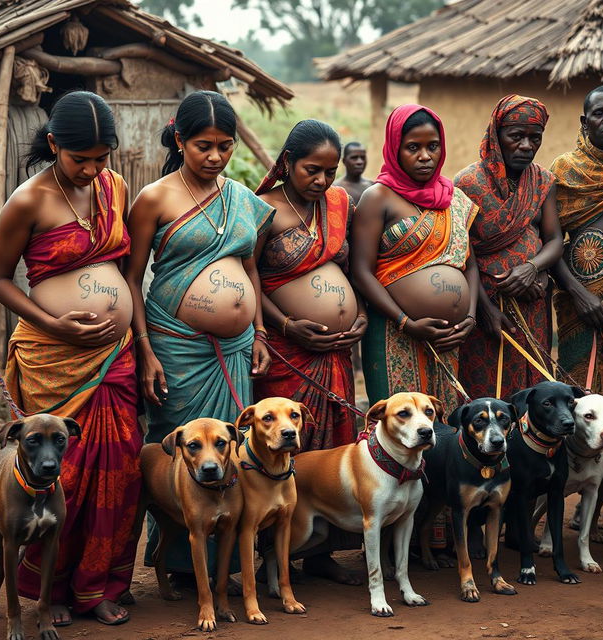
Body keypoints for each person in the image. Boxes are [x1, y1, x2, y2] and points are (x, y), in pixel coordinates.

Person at [0, 91, 141, 626]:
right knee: (63, 475)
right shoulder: (29, 201)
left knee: (119, 472)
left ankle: (97, 587)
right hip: (52, 362)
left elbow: (125, 274)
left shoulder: (115, 187)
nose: (94, 169)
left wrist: (140, 345)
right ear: (54, 144)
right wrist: (49, 321)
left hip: (114, 358)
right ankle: (47, 589)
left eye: (102, 158)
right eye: (82, 159)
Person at [125, 91, 273, 577]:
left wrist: (260, 332)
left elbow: (251, 270)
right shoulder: (154, 198)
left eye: (225, 147)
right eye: (203, 146)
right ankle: (175, 564)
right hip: (174, 346)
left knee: (232, 450)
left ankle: (225, 564)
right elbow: (132, 277)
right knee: (177, 448)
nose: (215, 157)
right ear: (179, 140)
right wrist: (145, 350)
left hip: (233, 351)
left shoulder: (242, 200)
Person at [254, 119, 366, 582]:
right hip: (286, 354)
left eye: (329, 171)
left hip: (336, 353)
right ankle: (271, 558)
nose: (322, 181)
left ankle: (321, 554)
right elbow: (249, 278)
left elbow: (356, 267)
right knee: (285, 451)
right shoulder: (262, 209)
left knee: (333, 449)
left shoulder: (340, 203)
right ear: (286, 165)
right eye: (310, 170)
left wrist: (358, 317)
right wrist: (284, 325)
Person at [351, 105, 479, 414]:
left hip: (449, 338)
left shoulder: (454, 198)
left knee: (443, 425)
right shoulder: (378, 197)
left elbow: (469, 265)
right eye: (413, 148)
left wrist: (471, 317)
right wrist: (405, 322)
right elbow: (361, 271)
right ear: (395, 148)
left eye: (432, 146)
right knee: (401, 427)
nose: (425, 156)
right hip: (394, 333)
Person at [454, 94, 563, 399]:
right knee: (486, 390)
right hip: (486, 305)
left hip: (532, 303)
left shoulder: (543, 181)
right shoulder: (467, 184)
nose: (526, 146)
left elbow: (554, 240)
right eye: (516, 137)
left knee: (534, 392)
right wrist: (484, 310)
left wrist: (533, 269)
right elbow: (461, 251)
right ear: (496, 135)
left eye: (535, 138)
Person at [551, 85, 603, 397]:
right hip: (579, 307)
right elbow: (549, 240)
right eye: (600, 113)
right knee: (579, 398)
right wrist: (578, 294)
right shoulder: (564, 169)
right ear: (584, 122)